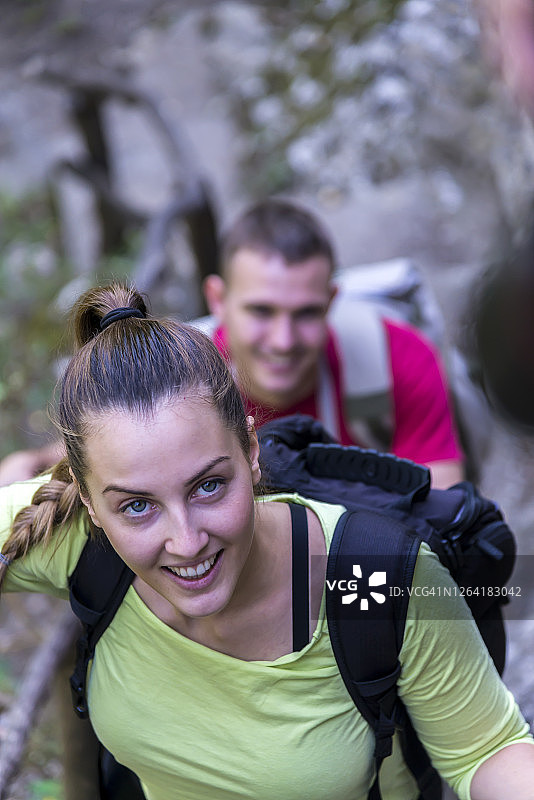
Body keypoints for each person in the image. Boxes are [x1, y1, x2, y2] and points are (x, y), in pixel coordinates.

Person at [1, 281, 534, 800]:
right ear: (89, 504)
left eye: (209, 486)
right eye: (137, 506)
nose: (186, 543)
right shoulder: (80, 543)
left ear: (252, 454)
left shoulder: (367, 576)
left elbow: (485, 749)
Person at [0, 200, 465, 490]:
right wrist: (38, 464)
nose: (283, 342)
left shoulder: (394, 358)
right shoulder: (180, 373)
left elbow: (441, 501)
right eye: (261, 312)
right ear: (218, 300)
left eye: (305, 313)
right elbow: (126, 439)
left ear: (331, 303)